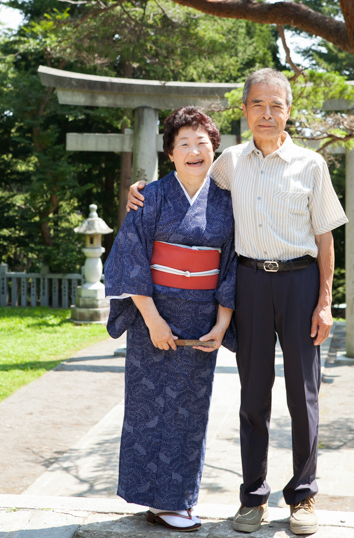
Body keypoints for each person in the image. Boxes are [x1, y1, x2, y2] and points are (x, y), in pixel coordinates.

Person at [127, 69, 348, 536]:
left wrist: (325, 300)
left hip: (301, 281)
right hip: (249, 282)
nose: (267, 114)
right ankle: (253, 498)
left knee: (302, 394)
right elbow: (188, 177)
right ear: (245, 110)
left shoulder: (311, 164)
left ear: (288, 111)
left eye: (277, 105)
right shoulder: (229, 160)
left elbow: (326, 237)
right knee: (253, 393)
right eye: (258, 105)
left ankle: (303, 496)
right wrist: (138, 191)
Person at [106, 106, 237, 532]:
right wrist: (152, 319)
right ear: (170, 154)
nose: (194, 150)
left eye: (202, 142)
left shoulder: (227, 203)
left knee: (189, 411)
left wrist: (221, 324)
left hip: (200, 323)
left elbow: (231, 265)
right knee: (145, 407)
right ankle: (155, 500)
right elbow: (131, 257)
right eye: (184, 143)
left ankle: (177, 500)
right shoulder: (151, 197)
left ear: (214, 148)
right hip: (152, 318)